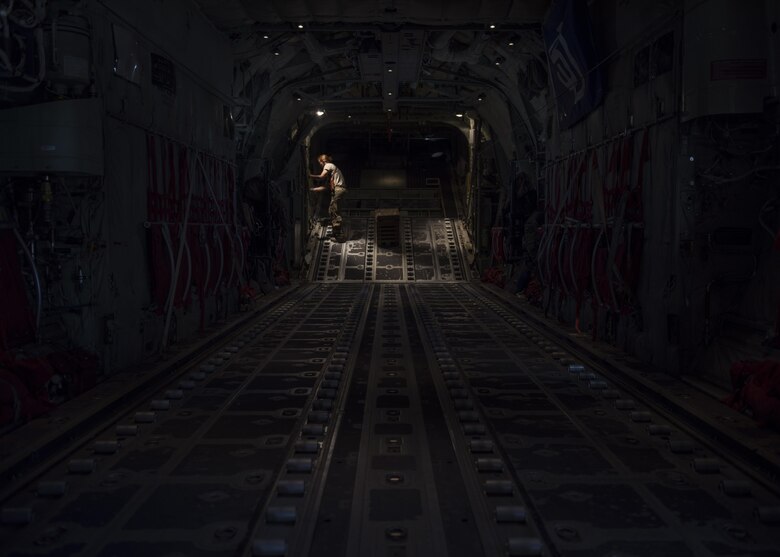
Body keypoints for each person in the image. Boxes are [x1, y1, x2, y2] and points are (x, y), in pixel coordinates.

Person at [310, 154, 347, 241]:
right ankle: (336, 233)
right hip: (339, 190)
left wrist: (309, 175)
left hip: (338, 189)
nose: (321, 166)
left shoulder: (328, 165)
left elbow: (321, 176)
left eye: (320, 163)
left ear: (323, 161)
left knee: (333, 211)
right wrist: (312, 189)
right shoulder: (331, 175)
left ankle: (339, 235)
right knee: (334, 211)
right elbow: (325, 187)